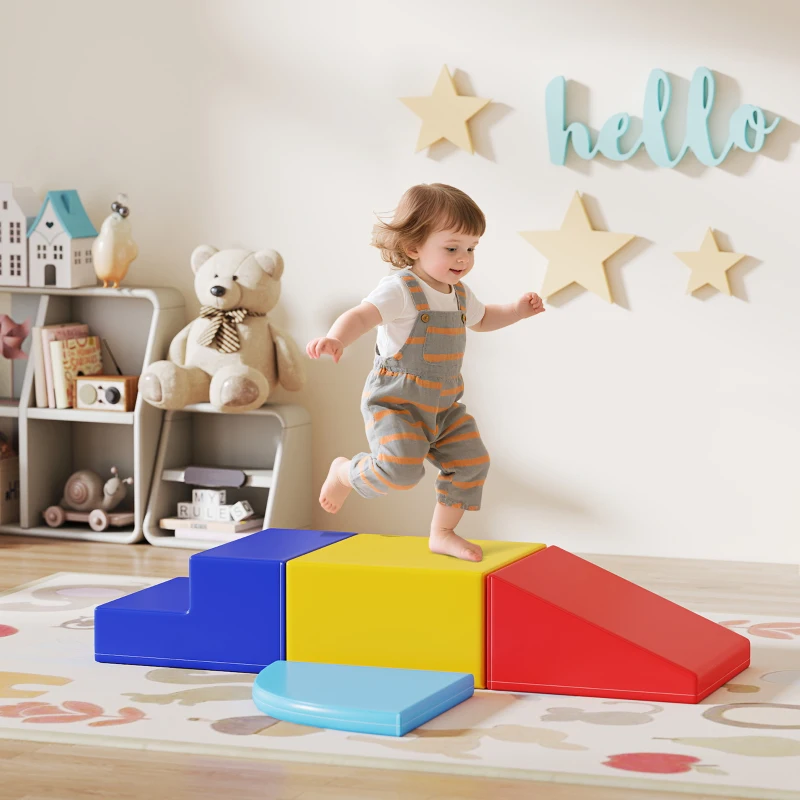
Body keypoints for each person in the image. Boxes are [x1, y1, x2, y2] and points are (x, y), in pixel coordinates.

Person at [307, 183, 545, 561]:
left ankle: (443, 532)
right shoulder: (400, 289)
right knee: (401, 472)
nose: (464, 258)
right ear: (413, 247)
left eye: (471, 248)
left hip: (446, 406)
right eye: (452, 248)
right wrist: (337, 338)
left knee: (471, 462)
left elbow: (483, 321)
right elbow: (361, 315)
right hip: (397, 402)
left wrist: (516, 310)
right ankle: (344, 473)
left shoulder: (460, 293)